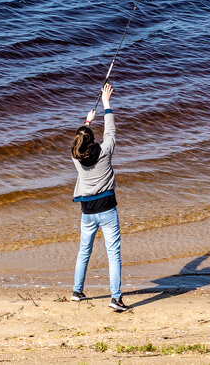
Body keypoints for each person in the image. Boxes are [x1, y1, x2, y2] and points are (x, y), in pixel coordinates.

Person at [70, 82, 126, 311]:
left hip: (88, 212)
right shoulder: (105, 151)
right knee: (113, 254)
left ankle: (77, 291)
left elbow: (78, 141)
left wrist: (87, 121)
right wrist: (106, 103)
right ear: (93, 141)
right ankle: (115, 298)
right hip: (107, 209)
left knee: (84, 251)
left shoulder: (76, 157)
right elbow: (111, 130)